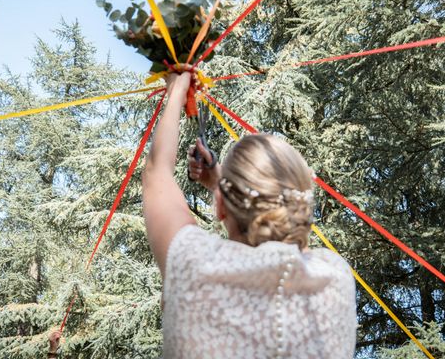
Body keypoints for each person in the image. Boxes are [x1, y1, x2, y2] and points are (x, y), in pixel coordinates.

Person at [142, 71, 357, 358]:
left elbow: (157, 173)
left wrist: (177, 88)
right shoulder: (335, 277)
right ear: (301, 203)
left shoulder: (194, 263)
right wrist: (223, 186)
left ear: (220, 207)